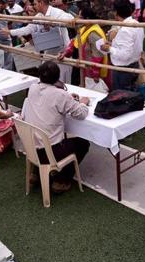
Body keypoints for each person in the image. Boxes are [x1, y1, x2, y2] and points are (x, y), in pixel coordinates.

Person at [22, 61, 90, 193]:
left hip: (31, 146)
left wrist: (67, 98)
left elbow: (48, 99)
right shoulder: (60, 95)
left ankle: (36, 174)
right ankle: (62, 180)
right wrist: (83, 103)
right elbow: (81, 114)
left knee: (42, 135)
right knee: (83, 144)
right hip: (51, 151)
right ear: (57, 77)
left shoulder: (32, 88)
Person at [2, 0, 74, 83]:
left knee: (62, 81)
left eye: (35, 4)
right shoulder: (39, 16)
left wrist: (53, 22)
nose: (34, 6)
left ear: (41, 3)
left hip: (63, 53)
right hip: (49, 53)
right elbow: (27, 29)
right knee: (46, 79)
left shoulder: (56, 12)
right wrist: (10, 32)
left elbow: (70, 19)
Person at [98, 0, 144, 91]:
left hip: (123, 69)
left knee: (122, 97)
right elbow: (130, 45)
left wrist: (110, 48)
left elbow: (125, 54)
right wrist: (112, 44)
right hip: (133, 64)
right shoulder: (137, 24)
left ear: (116, 13)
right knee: (130, 95)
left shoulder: (125, 29)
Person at [58, 6, 108, 85]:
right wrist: (65, 53)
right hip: (79, 66)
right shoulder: (83, 28)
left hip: (89, 71)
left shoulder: (95, 34)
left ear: (87, 18)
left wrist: (94, 75)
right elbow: (74, 42)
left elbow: (98, 56)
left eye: (80, 17)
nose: (78, 19)